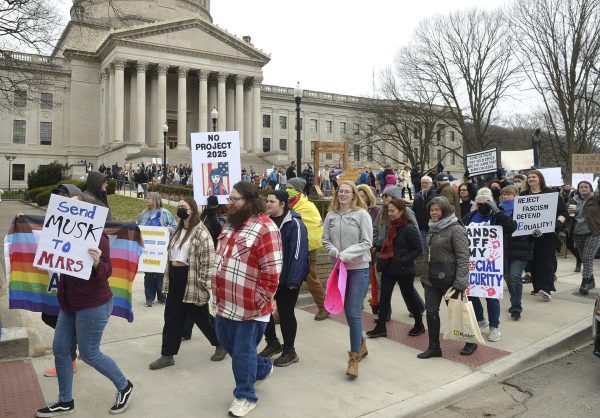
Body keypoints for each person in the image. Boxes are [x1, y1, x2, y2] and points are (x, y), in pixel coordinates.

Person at [36, 193, 133, 417]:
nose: (70, 208)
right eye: (69, 204)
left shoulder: (99, 238)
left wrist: (98, 262)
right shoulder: (61, 231)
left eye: (76, 205)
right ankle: (65, 401)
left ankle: (124, 386)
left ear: (88, 212)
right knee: (60, 348)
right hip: (69, 303)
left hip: (94, 304)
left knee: (89, 354)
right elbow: (46, 239)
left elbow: (107, 271)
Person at [213, 182, 283, 417]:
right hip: (225, 303)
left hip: (251, 307)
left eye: (235, 199)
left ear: (250, 202)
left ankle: (245, 396)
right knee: (227, 342)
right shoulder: (231, 225)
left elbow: (272, 274)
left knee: (242, 353)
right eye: (230, 199)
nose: (230, 203)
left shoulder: (266, 229)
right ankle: (263, 368)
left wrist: (259, 301)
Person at [149, 197, 226, 370]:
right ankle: (167, 355)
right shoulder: (179, 230)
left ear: (192, 210)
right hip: (175, 277)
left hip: (191, 279)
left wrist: (204, 283)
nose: (180, 209)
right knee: (171, 317)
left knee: (202, 317)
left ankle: (221, 343)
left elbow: (208, 259)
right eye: (179, 207)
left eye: (183, 207)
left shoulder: (201, 232)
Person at [322, 181, 373, 378]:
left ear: (353, 195)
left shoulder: (362, 215)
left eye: (347, 192)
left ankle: (353, 360)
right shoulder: (331, 215)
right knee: (348, 311)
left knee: (353, 312)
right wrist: (334, 251)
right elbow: (325, 239)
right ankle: (361, 342)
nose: (343, 194)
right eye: (340, 191)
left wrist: (347, 254)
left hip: (358, 269)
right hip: (339, 268)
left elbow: (367, 242)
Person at [461, 189, 516, 355]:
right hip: (473, 264)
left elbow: (512, 227)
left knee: (491, 297)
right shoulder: (469, 217)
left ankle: (494, 326)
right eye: (479, 203)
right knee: (471, 293)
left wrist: (498, 211)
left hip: (491, 265)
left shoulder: (497, 218)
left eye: (486, 203)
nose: (482, 206)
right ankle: (480, 319)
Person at [259, 190, 309, 366]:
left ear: (282, 204)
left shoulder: (294, 224)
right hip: (268, 277)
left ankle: (290, 350)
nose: (268, 204)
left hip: (287, 279)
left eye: (272, 201)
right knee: (263, 311)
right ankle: (272, 343)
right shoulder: (267, 222)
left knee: (286, 313)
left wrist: (293, 281)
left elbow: (298, 253)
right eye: (267, 201)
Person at [417, 196, 469, 359]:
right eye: (431, 210)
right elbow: (428, 254)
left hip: (450, 280)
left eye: (437, 209)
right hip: (431, 278)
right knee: (431, 312)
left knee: (457, 312)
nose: (433, 212)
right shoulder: (432, 227)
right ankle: (434, 347)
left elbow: (463, 256)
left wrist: (460, 281)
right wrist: (424, 276)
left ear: (445, 210)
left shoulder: (456, 228)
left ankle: (471, 341)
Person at [39, 184, 83, 379]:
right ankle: (79, 340)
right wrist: (22, 220)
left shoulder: (83, 222)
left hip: (74, 282)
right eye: (58, 196)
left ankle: (69, 360)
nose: (61, 200)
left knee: (63, 319)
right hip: (55, 279)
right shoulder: (53, 217)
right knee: (48, 316)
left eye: (65, 196)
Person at [367, 199, 425, 339]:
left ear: (401, 211)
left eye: (392, 211)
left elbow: (419, 250)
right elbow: (391, 246)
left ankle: (419, 324)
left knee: (410, 297)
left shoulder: (409, 228)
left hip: (405, 270)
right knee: (385, 298)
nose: (390, 213)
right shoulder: (391, 226)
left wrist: (402, 259)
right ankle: (381, 327)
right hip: (389, 268)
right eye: (388, 210)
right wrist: (378, 248)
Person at [520, 170, 568, 301]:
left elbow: (563, 212)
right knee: (532, 260)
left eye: (534, 177)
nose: (531, 179)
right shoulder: (523, 195)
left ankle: (546, 289)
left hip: (547, 233)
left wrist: (558, 223)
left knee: (546, 260)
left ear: (540, 179)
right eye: (529, 177)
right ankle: (537, 287)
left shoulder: (552, 194)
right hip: (529, 234)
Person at [286, 177, 329, 321]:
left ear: (297, 190)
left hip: (308, 246)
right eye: (286, 187)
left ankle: (323, 307)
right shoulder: (287, 203)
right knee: (287, 280)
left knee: (311, 278)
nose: (287, 190)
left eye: (290, 187)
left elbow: (314, 227)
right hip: (291, 246)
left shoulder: (307, 206)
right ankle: (281, 313)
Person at [137, 192, 178, 307]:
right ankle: (149, 298)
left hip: (161, 251)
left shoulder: (166, 214)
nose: (146, 199)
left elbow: (176, 228)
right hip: (147, 250)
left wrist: (170, 230)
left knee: (161, 273)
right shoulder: (144, 214)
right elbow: (138, 228)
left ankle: (162, 296)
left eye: (149, 198)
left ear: (155, 200)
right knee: (148, 273)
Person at [499, 185, 533, 320]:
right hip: (504, 249)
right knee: (507, 277)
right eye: (504, 194)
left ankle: (516, 307)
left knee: (514, 276)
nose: (506, 196)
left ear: (516, 195)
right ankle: (515, 301)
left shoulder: (524, 209)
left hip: (521, 248)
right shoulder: (499, 209)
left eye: (509, 194)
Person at [572, 181, 600, 295]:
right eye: (581, 187)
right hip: (578, 232)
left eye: (586, 187)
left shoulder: (596, 199)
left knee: (587, 257)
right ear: (578, 189)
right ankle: (591, 280)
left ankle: (585, 282)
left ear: (590, 188)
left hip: (593, 232)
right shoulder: (573, 200)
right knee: (584, 259)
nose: (584, 189)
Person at [412, 176, 436, 252]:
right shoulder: (417, 195)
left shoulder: (435, 194)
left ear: (431, 184)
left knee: (432, 248)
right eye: (422, 183)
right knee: (422, 249)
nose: (424, 185)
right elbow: (414, 209)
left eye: (426, 183)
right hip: (420, 226)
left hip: (432, 226)